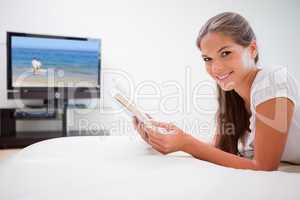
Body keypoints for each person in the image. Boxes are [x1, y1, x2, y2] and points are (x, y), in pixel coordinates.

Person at [133, 12, 300, 171]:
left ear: (253, 49)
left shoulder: (273, 80)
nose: (216, 68)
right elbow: (220, 151)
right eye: (208, 59)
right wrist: (165, 138)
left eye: (225, 53)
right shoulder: (232, 94)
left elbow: (264, 167)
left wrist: (186, 142)